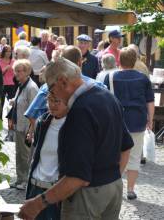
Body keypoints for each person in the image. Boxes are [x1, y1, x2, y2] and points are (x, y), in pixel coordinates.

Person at [19, 58, 134, 220]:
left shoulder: (79, 111)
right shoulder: (108, 97)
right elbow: (126, 146)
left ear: (63, 82)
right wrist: (111, 178)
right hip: (113, 188)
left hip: (87, 196)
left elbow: (77, 177)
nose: (51, 94)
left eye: (51, 89)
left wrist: (39, 203)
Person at [104, 47, 154, 200]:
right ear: (135, 61)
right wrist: (150, 120)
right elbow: (150, 102)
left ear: (119, 60)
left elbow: (104, 100)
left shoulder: (110, 77)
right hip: (137, 121)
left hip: (117, 121)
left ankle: (114, 186)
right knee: (134, 155)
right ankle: (130, 190)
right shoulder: (143, 78)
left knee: (114, 155)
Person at [26, 93, 68, 220]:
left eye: (57, 101)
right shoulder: (43, 121)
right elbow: (37, 155)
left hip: (55, 191)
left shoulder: (73, 125)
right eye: (50, 100)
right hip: (36, 186)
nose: (52, 105)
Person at [9, 59, 38, 190]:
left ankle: (26, 181)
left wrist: (31, 130)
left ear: (27, 72)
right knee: (19, 153)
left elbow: (35, 111)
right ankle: (20, 178)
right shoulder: (22, 85)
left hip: (26, 127)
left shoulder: (31, 87)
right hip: (19, 125)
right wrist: (13, 101)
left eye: (19, 71)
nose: (16, 73)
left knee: (26, 155)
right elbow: (19, 101)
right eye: (15, 71)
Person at [0, 45, 16, 111]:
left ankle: (12, 118)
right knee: (1, 103)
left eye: (10, 51)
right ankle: (0, 118)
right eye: (7, 51)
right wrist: (6, 68)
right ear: (3, 52)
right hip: (2, 84)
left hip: (12, 84)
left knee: (12, 103)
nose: (8, 53)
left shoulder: (13, 61)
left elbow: (16, 73)